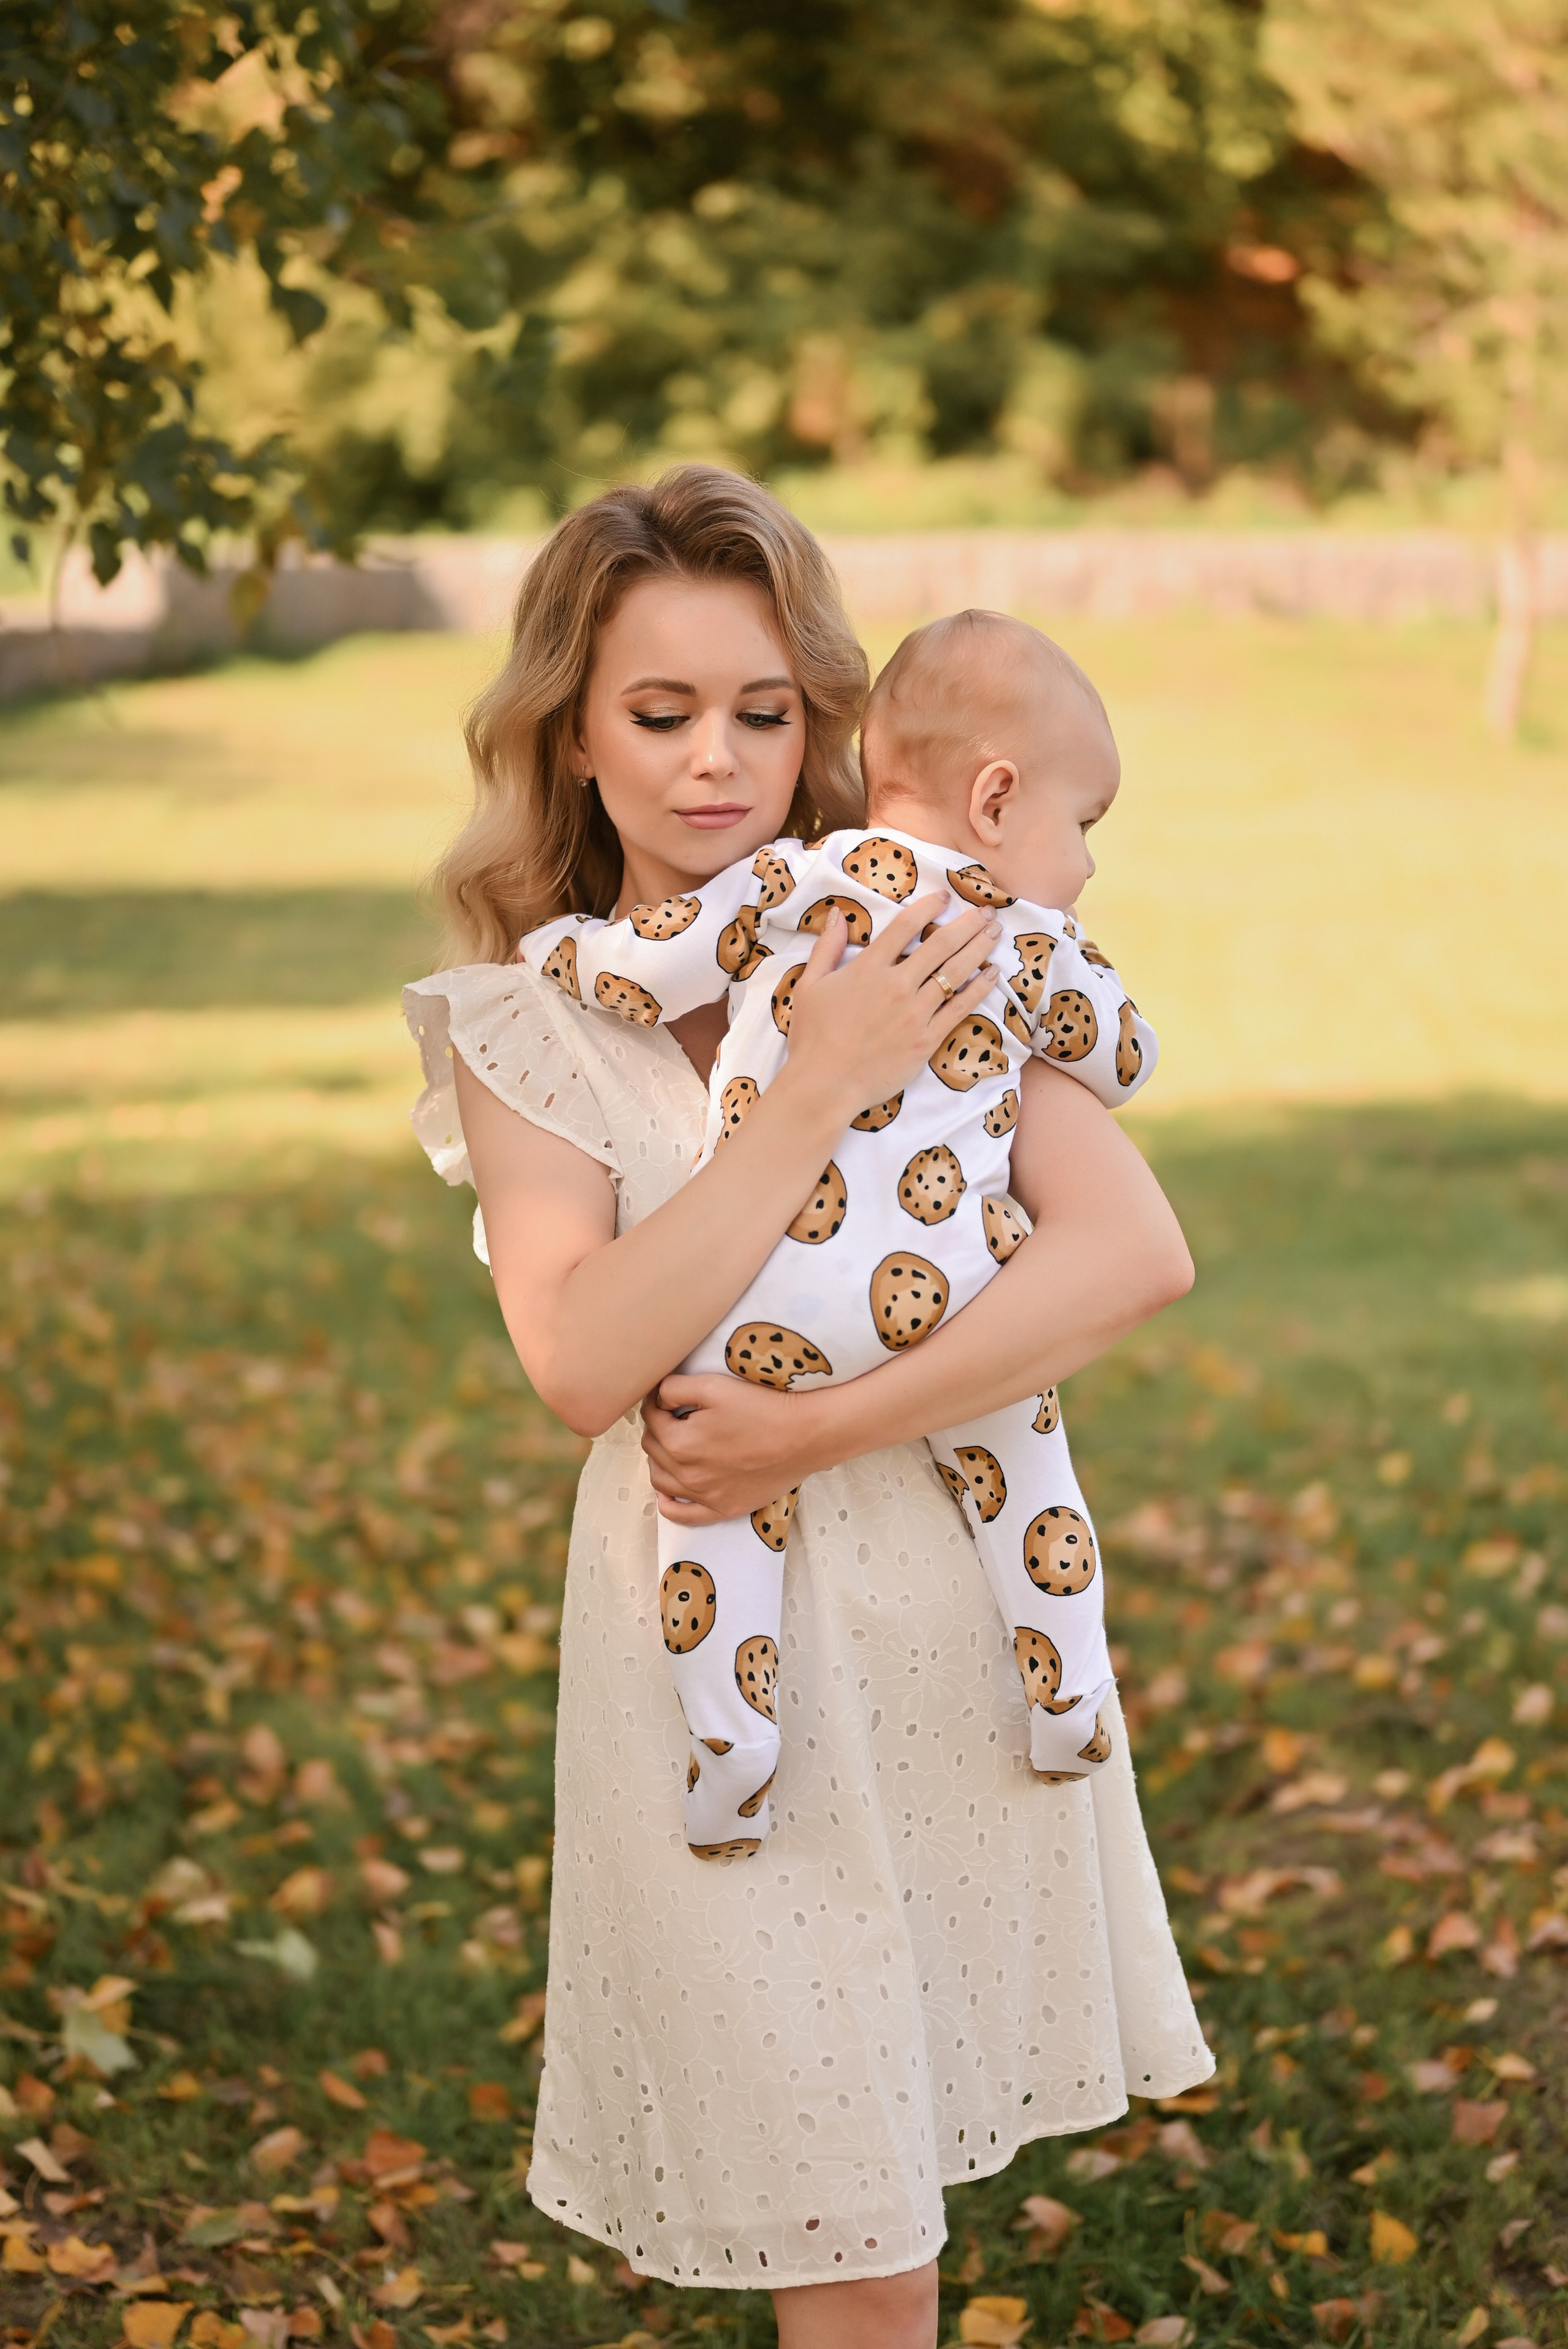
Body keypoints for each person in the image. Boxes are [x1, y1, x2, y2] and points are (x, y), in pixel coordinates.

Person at [404, 466, 1212, 2349]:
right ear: (571, 734)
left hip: (942, 1628)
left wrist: (819, 1427)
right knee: (839, 2206)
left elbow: (1127, 1254)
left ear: (825, 719)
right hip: (716, 1673)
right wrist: (813, 1088)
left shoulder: (922, 928)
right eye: (660, 713)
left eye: (764, 712)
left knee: (885, 2206)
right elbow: (588, 1355)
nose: (717, 765)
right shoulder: (525, 1024)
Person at [513, 610, 1155, 1855]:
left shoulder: (797, 881)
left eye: (761, 714)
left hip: (774, 1309)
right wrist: (1072, 979)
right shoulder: (1015, 935)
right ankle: (1068, 1682)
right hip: (950, 1296)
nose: (1081, 864)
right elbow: (1119, 1056)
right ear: (996, 797)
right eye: (1083, 829)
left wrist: (561, 953)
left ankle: (727, 1746)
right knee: (1024, 1465)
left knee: (708, 1507)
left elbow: (647, 966)